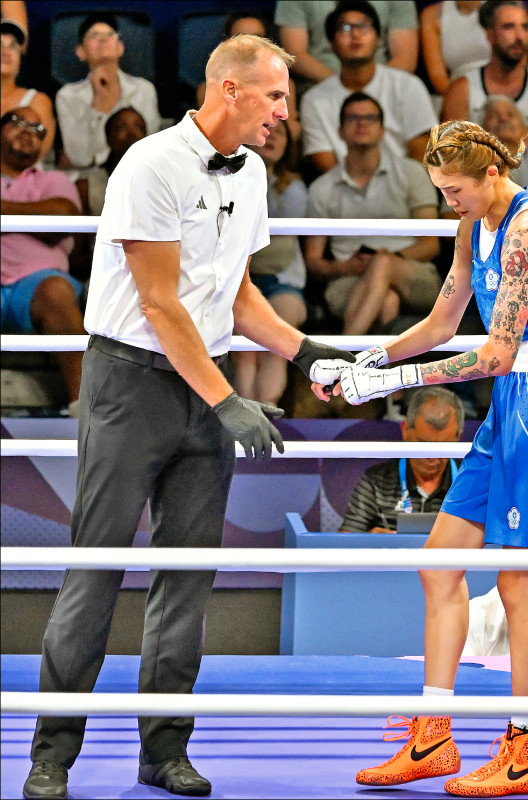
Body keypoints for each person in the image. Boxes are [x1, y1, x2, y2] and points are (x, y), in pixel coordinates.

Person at [21, 34, 356, 800]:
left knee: (188, 580)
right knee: (97, 569)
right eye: (274, 96)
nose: (284, 111)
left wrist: (307, 352)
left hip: (203, 383)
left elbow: (236, 296)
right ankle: (52, 755)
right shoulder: (150, 164)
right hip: (132, 381)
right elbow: (159, 304)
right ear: (229, 90)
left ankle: (165, 749)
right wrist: (227, 399)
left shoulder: (257, 172)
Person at [309, 118, 528, 796]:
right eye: (441, 190)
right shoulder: (474, 225)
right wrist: (367, 358)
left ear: (492, 175)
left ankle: (524, 753)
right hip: (509, 406)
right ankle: (434, 736)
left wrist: (392, 383)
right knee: (439, 566)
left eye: (455, 189)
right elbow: (441, 322)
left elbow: (495, 352)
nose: (447, 203)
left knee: (523, 586)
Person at [305, 91, 442, 335]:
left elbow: (431, 245)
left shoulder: (411, 173)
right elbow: (313, 262)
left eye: (370, 118)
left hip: (413, 272)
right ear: (339, 131)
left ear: (382, 131)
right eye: (352, 118)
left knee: (383, 263)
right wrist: (345, 268)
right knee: (388, 301)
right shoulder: (321, 188)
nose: (361, 123)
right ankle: (373, 371)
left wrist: (387, 258)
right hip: (347, 279)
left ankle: (344, 357)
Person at [1, 107, 84, 417]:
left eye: (38, 130)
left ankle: (82, 408)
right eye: (18, 122)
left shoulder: (54, 179)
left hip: (36, 285)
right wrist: (30, 214)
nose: (28, 131)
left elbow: (62, 218)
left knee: (57, 291)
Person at [300, 0, 437, 175]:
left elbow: (421, 153)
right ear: (331, 44)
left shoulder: (408, 86)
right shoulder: (314, 100)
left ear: (378, 39)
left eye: (364, 26)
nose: (356, 34)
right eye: (345, 28)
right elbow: (324, 163)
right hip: (344, 191)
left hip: (403, 186)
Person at [231, 118, 308, 407]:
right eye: (268, 131)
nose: (274, 137)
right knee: (244, 353)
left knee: (276, 343)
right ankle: (246, 421)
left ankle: (267, 412)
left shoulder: (294, 188)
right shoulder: (229, 181)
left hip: (283, 283)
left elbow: (279, 253)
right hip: (239, 282)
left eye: (282, 133)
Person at [442, 0, 528, 164]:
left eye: (525, 27)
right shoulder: (462, 89)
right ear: (490, 36)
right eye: (508, 27)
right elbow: (450, 157)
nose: (519, 36)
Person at [341, 386, 464, 533]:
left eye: (442, 447)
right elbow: (346, 542)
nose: (431, 457)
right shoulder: (376, 481)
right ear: (405, 430)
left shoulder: (475, 483)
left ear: (459, 437)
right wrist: (370, 541)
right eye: (423, 444)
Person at [55, 11, 161, 169]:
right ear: (80, 52)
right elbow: (80, 158)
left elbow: (149, 147)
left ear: (120, 48)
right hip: (90, 179)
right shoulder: (67, 96)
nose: (103, 39)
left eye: (110, 34)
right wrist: (98, 104)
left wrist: (98, 159)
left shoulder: (144, 89)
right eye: (94, 35)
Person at [275, 0, 419, 96]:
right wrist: (343, 85)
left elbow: (405, 59)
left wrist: (374, 88)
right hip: (319, 91)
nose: (355, 34)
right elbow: (294, 54)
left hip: (386, 91)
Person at [195, 12, 301, 143]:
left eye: (258, 38)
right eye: (241, 39)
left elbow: (291, 133)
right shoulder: (208, 88)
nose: (251, 46)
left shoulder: (286, 85)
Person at [75, 106, 147, 216]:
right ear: (108, 138)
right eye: (122, 127)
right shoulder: (86, 187)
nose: (132, 133)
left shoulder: (162, 183)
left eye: (139, 128)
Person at [1, 18, 55, 161]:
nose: (5, 52)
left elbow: (34, 156)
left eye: (13, 46)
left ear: (20, 59)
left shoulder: (37, 100)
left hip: (23, 180)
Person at [418, 1, 491, 98]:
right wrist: (460, 101)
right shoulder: (431, 15)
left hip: (506, 90)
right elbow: (438, 78)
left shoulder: (507, 6)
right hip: (456, 95)